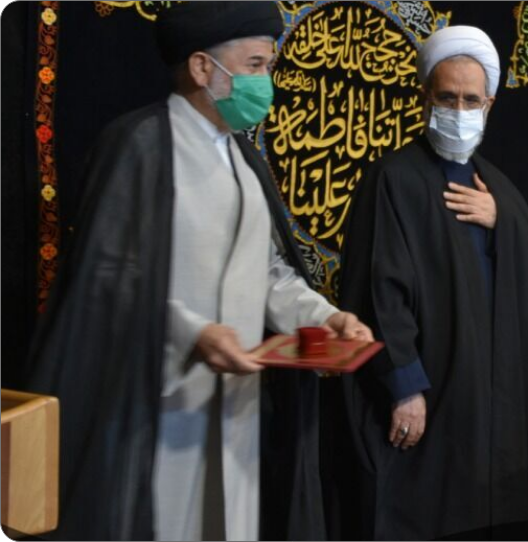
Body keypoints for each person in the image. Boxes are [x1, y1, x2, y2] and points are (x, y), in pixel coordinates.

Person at [22, 3, 374, 540]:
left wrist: (325, 318)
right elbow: (107, 280)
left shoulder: (243, 159)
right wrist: (194, 333)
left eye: (268, 67)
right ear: (202, 67)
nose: (265, 82)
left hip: (236, 407)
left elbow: (268, 272)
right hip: (155, 405)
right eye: (254, 66)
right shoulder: (139, 145)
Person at [336, 25, 528, 540]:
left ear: (489, 105)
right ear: (425, 98)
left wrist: (504, 223)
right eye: (447, 98)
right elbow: (380, 292)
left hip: (489, 401)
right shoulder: (394, 179)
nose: (459, 111)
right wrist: (405, 387)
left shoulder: (498, 189)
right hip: (428, 401)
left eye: (470, 100)